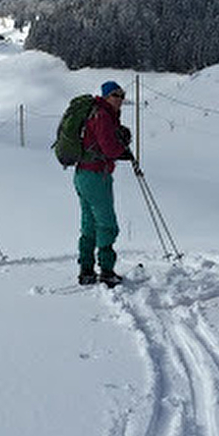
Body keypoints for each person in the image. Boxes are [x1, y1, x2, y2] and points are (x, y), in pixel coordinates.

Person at [75, 81, 134, 286]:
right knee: (107, 224)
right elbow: (109, 148)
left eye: (122, 95)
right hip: (96, 175)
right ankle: (107, 271)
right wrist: (123, 148)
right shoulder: (103, 115)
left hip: (83, 174)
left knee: (89, 224)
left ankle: (86, 270)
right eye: (116, 95)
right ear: (107, 96)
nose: (120, 99)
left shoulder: (97, 113)